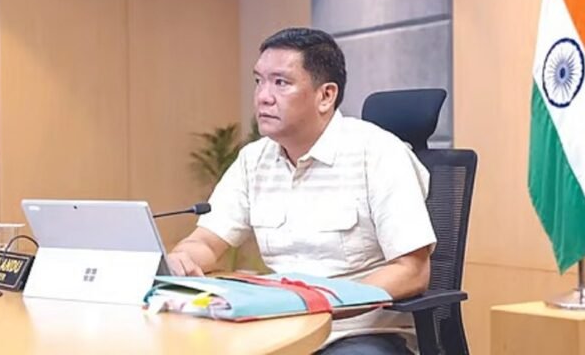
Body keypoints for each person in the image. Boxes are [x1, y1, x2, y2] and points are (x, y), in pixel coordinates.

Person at [167, 27, 436, 355]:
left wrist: (322, 304)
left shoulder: (378, 153)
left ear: (326, 96)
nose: (263, 96)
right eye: (259, 81)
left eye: (281, 82)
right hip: (281, 327)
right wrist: (183, 258)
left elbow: (413, 271)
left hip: (359, 334)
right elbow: (207, 242)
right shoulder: (254, 160)